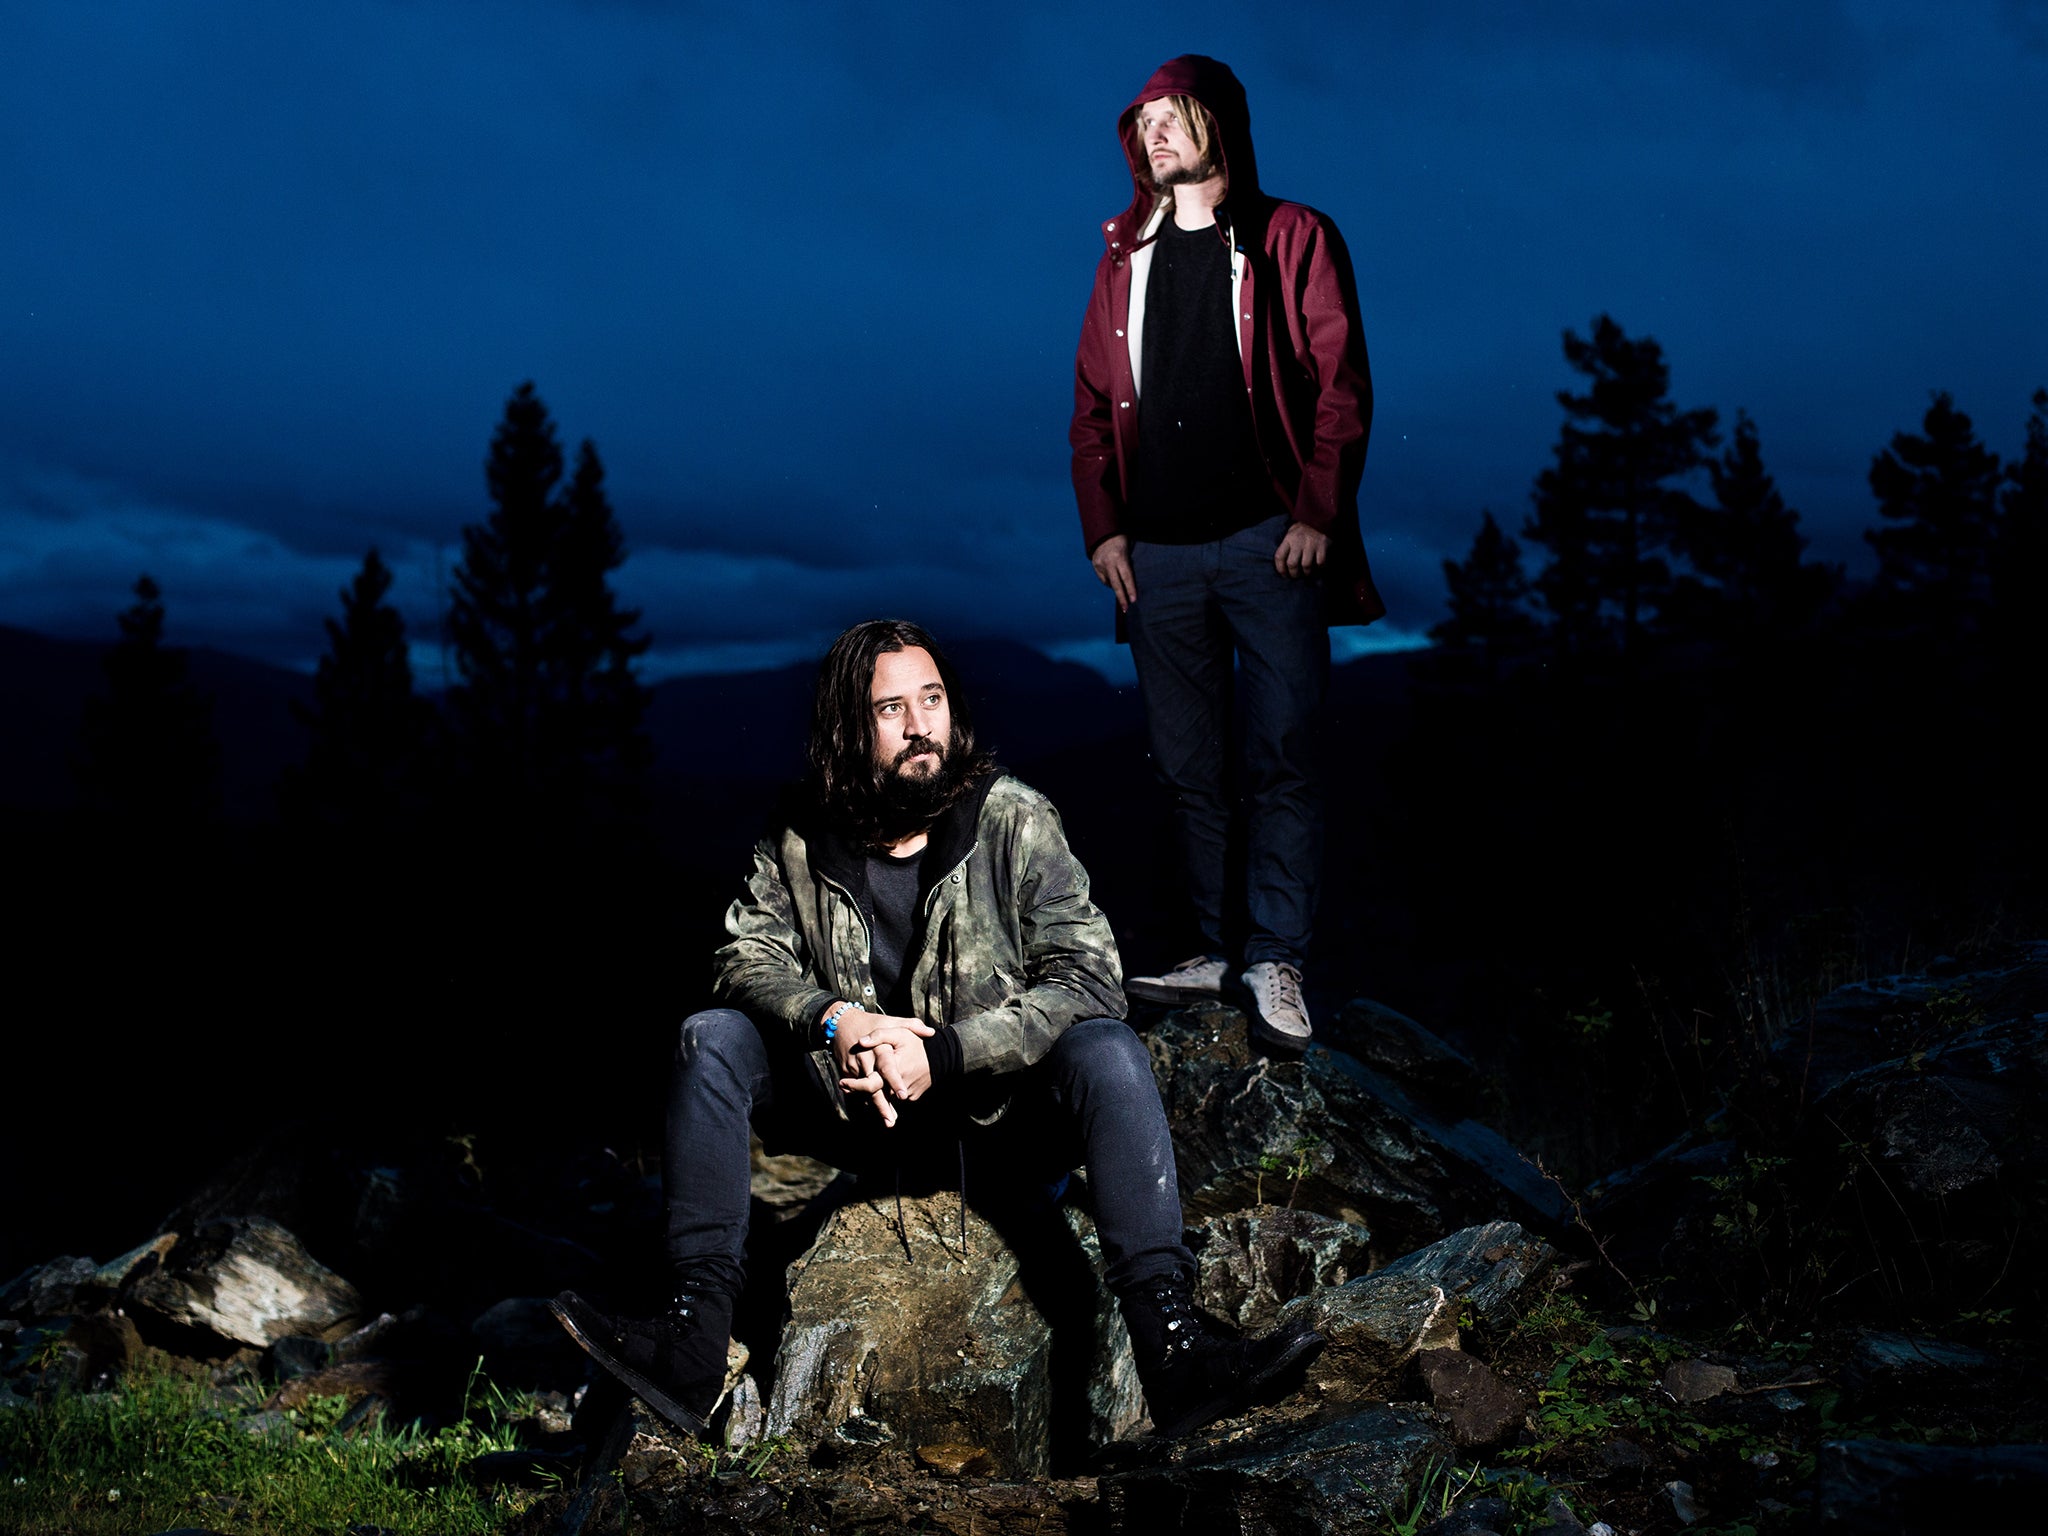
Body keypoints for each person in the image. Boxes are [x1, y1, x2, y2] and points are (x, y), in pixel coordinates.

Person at [552, 619, 1320, 1441]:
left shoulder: (1015, 821)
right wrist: (836, 1017)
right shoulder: (797, 836)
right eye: (892, 709)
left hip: (998, 1122)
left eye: (933, 699)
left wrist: (945, 1053)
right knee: (713, 1037)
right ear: (850, 729)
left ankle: (1174, 1353)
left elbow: (1089, 976)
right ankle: (691, 1346)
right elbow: (745, 956)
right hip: (854, 1115)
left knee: (1106, 1046)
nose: (922, 726)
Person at [1069, 54, 1383, 1050]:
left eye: (1175, 113)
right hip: (1154, 557)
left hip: (1268, 546)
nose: (1154, 130)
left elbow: (1340, 386)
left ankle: (1276, 958)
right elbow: (1086, 412)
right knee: (1188, 768)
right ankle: (1210, 949)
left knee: (1281, 753)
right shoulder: (1123, 257)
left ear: (1222, 122)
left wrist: (1316, 516)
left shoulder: (1291, 236)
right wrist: (1104, 530)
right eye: (1143, 119)